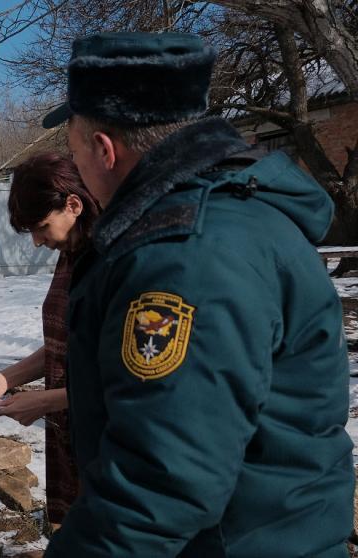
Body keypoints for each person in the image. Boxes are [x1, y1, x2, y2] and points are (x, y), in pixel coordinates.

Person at [39, 33, 353, 556]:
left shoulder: (184, 255)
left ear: (103, 149)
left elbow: (161, 480)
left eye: (74, 153)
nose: (79, 172)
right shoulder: (228, 218)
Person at [0, 152, 99, 526]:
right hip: (70, 431)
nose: (38, 242)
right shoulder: (71, 254)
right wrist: (5, 379)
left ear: (73, 205)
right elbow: (63, 343)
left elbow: (134, 384)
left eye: (41, 227)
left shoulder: (112, 261)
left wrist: (46, 401)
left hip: (106, 443)